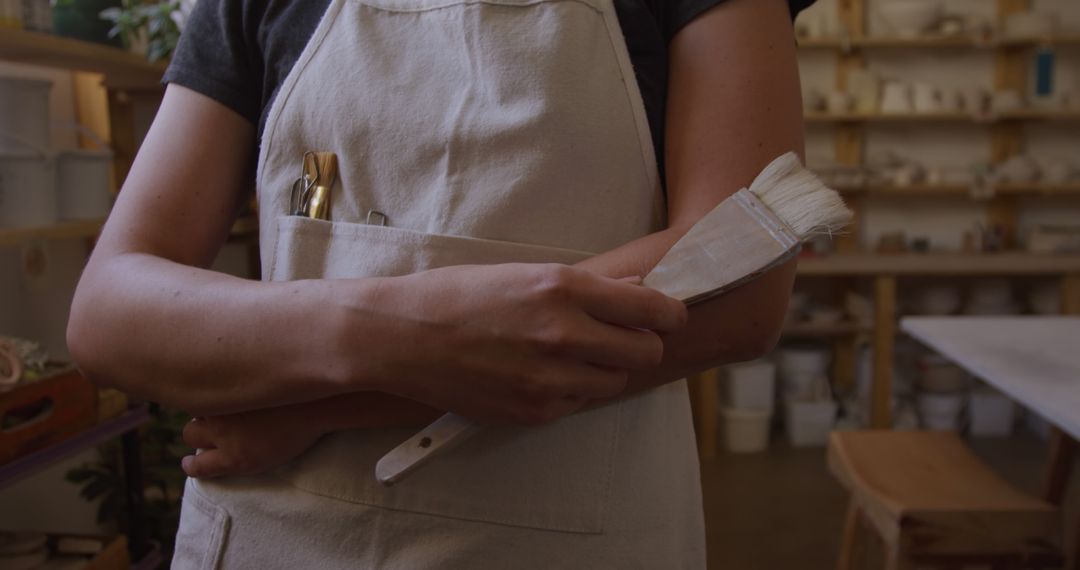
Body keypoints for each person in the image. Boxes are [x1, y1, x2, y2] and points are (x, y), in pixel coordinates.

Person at [68, 0, 813, 566]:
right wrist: (397, 332)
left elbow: (742, 274)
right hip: (273, 533)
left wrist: (323, 408)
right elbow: (108, 315)